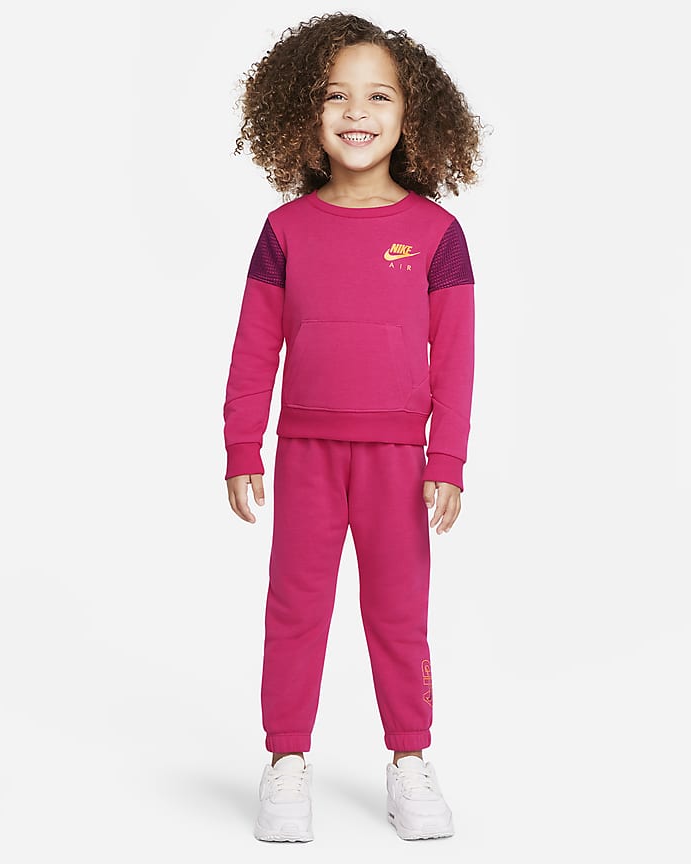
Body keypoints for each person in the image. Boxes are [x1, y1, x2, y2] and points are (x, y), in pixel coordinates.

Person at [223, 11, 482, 842]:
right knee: (294, 608)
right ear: (305, 110)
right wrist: (241, 443)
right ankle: (286, 761)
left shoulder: (437, 235)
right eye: (336, 95)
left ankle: (410, 759)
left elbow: (457, 359)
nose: (357, 112)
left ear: (413, 115)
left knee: (399, 615)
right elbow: (254, 346)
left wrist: (448, 458)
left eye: (379, 96)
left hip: (399, 459)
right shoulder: (284, 231)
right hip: (304, 451)